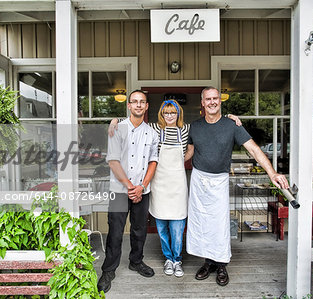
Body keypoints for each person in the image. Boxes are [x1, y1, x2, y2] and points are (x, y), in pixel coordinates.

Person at [109, 99, 241, 279]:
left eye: (173, 112)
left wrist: (230, 117)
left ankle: (177, 259)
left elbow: (210, 121)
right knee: (162, 225)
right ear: (161, 114)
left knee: (178, 225)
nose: (169, 116)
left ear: (178, 114)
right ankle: (168, 258)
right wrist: (114, 120)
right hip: (159, 183)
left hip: (178, 184)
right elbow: (135, 119)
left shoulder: (187, 129)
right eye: (166, 113)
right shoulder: (154, 129)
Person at [185, 86, 289, 287]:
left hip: (219, 181)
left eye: (215, 98)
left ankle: (222, 264)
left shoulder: (232, 125)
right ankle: (208, 262)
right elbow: (188, 153)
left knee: (220, 224)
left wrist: (272, 173)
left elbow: (254, 150)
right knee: (202, 223)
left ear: (220, 101)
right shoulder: (195, 127)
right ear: (203, 102)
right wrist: (168, 164)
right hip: (199, 181)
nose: (212, 102)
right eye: (208, 99)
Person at [97, 90, 159, 293]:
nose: (139, 105)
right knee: (115, 232)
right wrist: (130, 186)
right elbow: (113, 161)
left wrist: (141, 186)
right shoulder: (117, 129)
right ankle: (108, 270)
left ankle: (136, 261)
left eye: (142, 102)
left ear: (147, 106)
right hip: (119, 190)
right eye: (135, 102)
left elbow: (153, 162)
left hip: (142, 190)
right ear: (129, 106)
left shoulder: (152, 133)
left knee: (139, 230)